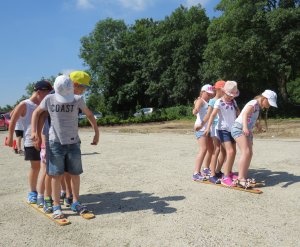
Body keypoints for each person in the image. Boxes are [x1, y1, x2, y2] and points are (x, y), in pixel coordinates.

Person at [31, 75, 99, 219]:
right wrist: (34, 133)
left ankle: (75, 202)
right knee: (56, 175)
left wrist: (96, 132)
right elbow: (37, 113)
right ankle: (56, 206)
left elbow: (89, 114)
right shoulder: (49, 99)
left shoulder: (77, 99)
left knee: (75, 174)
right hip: (55, 143)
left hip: (74, 143)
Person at [7, 80, 53, 203]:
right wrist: (11, 137)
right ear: (38, 92)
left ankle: (45, 193)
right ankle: (33, 192)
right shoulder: (25, 104)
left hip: (45, 140)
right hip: (30, 140)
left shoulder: (45, 103)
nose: (48, 96)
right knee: (36, 167)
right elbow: (13, 120)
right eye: (47, 93)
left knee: (47, 168)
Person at [231, 90, 278, 188]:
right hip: (239, 128)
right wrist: (244, 127)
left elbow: (252, 118)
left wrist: (259, 127)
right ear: (264, 98)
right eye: (269, 103)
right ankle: (240, 179)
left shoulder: (258, 107)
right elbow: (244, 114)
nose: (269, 106)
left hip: (247, 130)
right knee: (246, 152)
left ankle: (243, 176)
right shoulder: (254, 103)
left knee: (250, 153)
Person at [204, 81, 240, 187]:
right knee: (230, 151)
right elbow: (212, 115)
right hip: (222, 129)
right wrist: (207, 128)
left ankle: (228, 172)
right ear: (224, 92)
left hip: (232, 129)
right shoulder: (218, 102)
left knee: (233, 152)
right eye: (229, 95)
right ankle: (225, 177)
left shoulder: (234, 102)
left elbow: (238, 114)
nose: (231, 97)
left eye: (233, 95)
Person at [192, 84, 215, 181]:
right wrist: (195, 110)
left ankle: (206, 169)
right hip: (200, 128)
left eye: (210, 94)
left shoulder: (209, 102)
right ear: (202, 92)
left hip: (207, 129)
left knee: (211, 149)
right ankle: (196, 173)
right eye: (207, 93)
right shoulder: (200, 100)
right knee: (203, 149)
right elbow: (196, 109)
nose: (209, 95)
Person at [206, 80, 226, 183]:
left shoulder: (224, 101)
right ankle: (212, 174)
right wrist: (206, 126)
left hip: (222, 128)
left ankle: (218, 171)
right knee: (217, 149)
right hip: (214, 127)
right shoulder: (212, 101)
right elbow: (209, 115)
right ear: (219, 89)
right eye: (224, 89)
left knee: (224, 151)